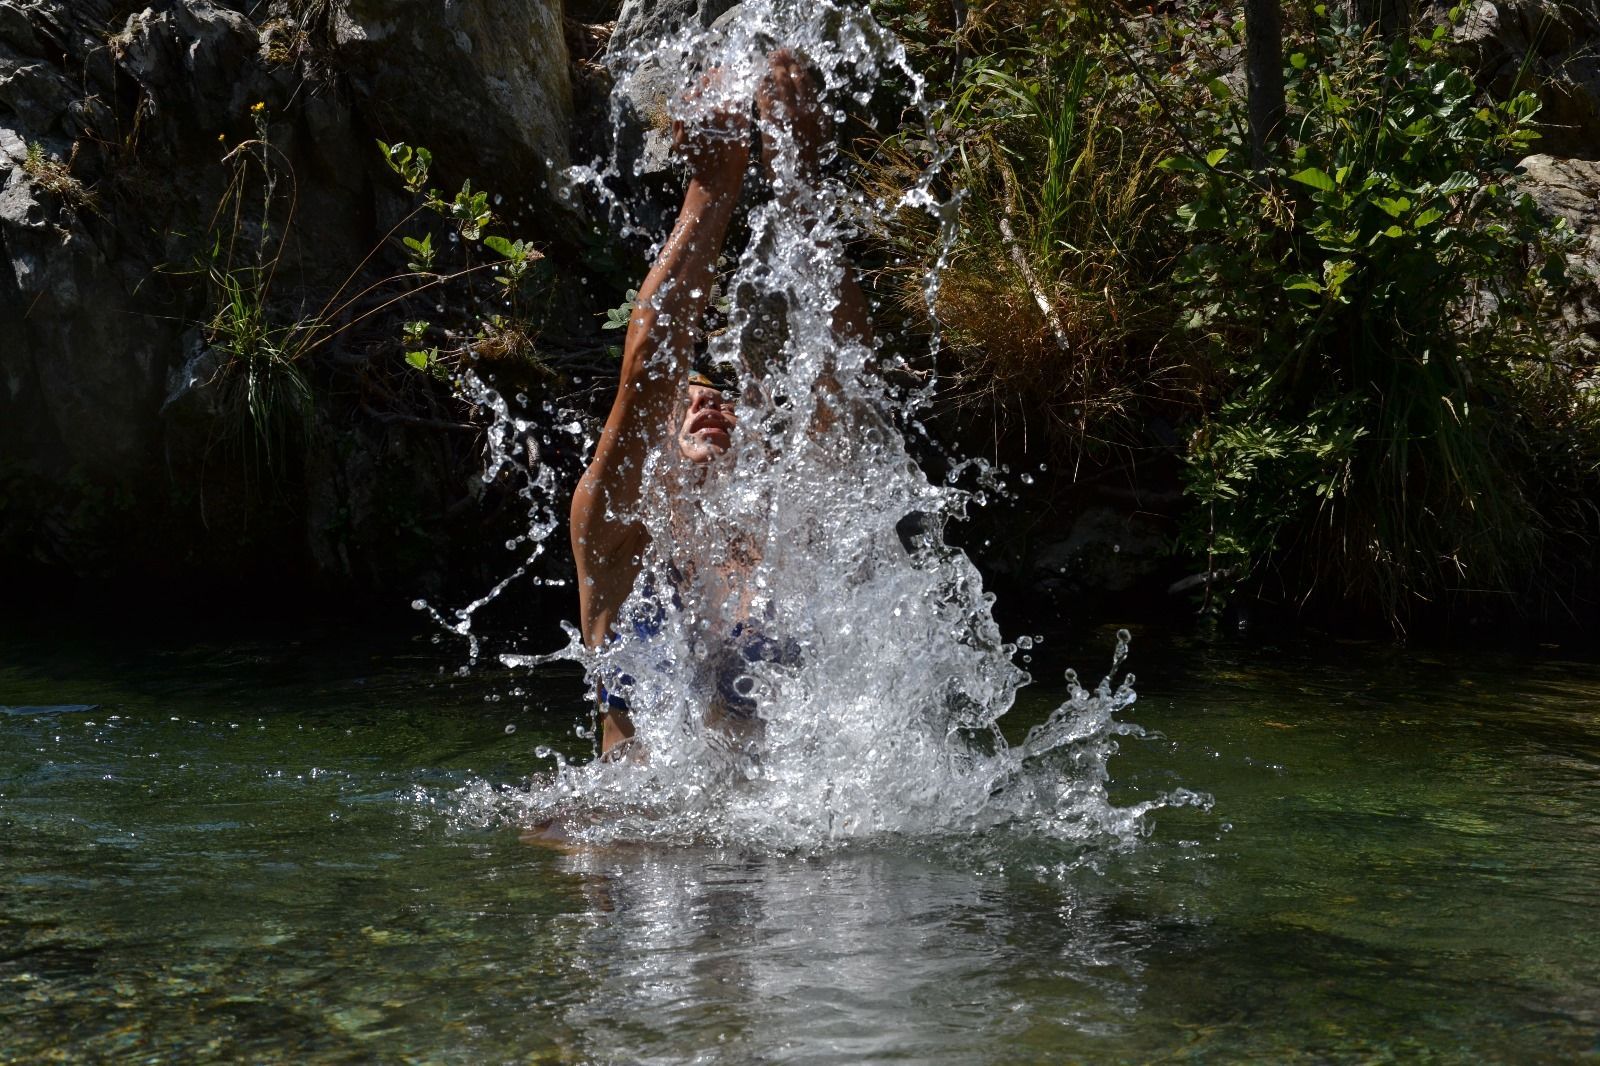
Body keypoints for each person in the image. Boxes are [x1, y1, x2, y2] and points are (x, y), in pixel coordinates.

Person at [569, 48, 873, 761]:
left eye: (724, 401)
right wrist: (712, 188)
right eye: (688, 405)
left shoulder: (797, 541)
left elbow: (847, 374)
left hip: (772, 850)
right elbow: (647, 377)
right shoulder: (611, 542)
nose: (705, 408)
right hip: (635, 849)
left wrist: (800, 185)